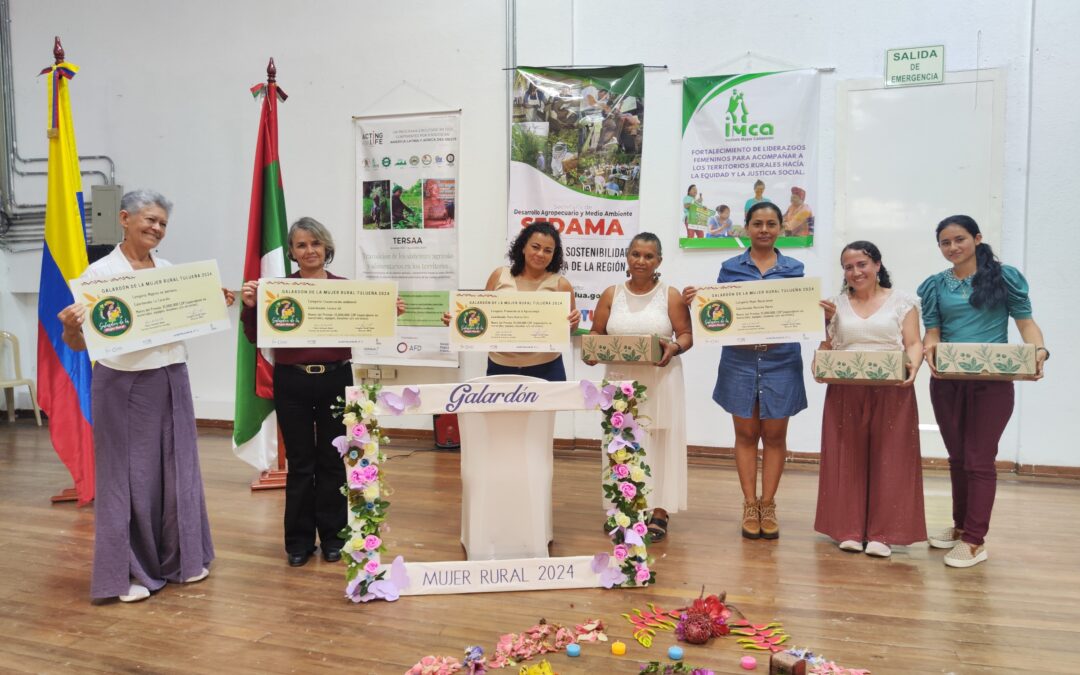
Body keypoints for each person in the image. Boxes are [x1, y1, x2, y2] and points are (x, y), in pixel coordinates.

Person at [57, 189, 222, 602]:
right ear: (126, 218)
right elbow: (79, 346)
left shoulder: (167, 269)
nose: (157, 228)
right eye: (150, 220)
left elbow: (187, 322)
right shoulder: (97, 276)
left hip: (171, 377)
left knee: (177, 469)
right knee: (126, 478)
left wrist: (209, 304)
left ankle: (179, 560)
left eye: (163, 223)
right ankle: (128, 574)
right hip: (124, 384)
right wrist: (72, 327)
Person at [241, 217, 406, 567]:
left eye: (315, 244)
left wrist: (387, 311)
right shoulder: (277, 290)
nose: (309, 250)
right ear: (291, 252)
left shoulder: (346, 288)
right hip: (293, 382)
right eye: (301, 245)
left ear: (327, 248)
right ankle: (298, 543)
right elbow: (256, 336)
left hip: (335, 378)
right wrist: (252, 307)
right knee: (301, 464)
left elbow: (372, 326)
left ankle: (334, 538)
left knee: (332, 461)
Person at [918, 215, 1047, 568]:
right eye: (945, 242)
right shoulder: (934, 285)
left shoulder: (1004, 277)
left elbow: (1026, 323)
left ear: (976, 239)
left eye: (959, 239)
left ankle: (976, 540)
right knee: (957, 458)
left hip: (992, 382)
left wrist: (1038, 351)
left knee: (978, 459)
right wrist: (931, 347)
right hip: (946, 380)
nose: (952, 248)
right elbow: (933, 330)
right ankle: (961, 528)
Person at [682, 201, 807, 540]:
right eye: (757, 223)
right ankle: (750, 504)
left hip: (782, 360)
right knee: (746, 435)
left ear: (780, 228)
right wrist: (698, 299)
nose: (764, 229)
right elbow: (720, 314)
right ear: (747, 227)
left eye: (771, 224)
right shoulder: (730, 267)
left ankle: (769, 504)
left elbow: (797, 315)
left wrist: (816, 315)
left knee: (776, 436)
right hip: (740, 361)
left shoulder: (795, 268)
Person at [814, 241, 926, 557]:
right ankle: (847, 528)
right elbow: (827, 347)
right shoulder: (833, 305)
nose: (855, 271)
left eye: (862, 264)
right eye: (848, 267)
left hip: (892, 389)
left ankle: (883, 533)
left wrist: (914, 366)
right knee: (845, 456)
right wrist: (823, 326)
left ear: (877, 265)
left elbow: (914, 342)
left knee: (891, 458)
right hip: (845, 390)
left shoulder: (903, 302)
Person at [588, 233, 692, 542]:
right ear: (627, 257)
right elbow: (596, 335)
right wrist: (593, 353)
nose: (641, 261)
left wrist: (674, 347)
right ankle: (626, 508)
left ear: (659, 261)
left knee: (659, 442)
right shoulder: (611, 294)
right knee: (622, 444)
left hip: (660, 380)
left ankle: (659, 510)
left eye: (648, 256)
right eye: (635, 254)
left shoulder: (669, 295)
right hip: (620, 380)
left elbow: (686, 334)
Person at [444, 221, 580, 380]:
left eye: (548, 250)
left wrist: (574, 322)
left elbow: (569, 330)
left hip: (547, 367)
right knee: (501, 407)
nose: (541, 254)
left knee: (549, 407)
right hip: (501, 366)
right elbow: (482, 316)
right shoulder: (499, 276)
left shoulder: (561, 284)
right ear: (523, 247)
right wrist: (457, 321)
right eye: (535, 247)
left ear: (554, 255)